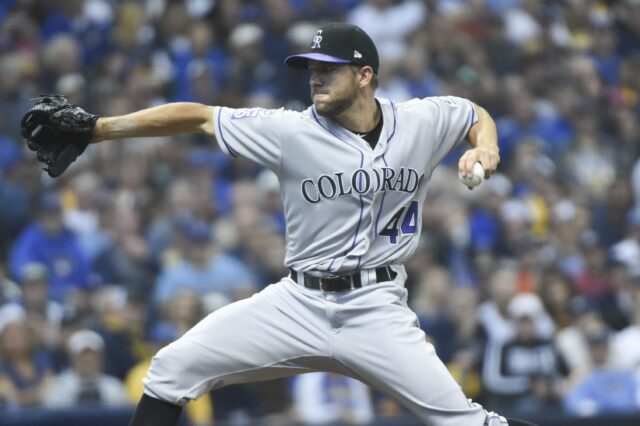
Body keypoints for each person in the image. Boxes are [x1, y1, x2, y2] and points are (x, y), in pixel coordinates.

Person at [23, 22, 530, 426]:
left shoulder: (421, 119)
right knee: (170, 370)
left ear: (363, 75)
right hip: (298, 302)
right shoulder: (290, 131)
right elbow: (199, 116)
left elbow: (472, 113)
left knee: (467, 422)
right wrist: (100, 129)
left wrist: (487, 146)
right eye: (309, 67)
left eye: (327, 69)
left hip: (376, 309)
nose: (314, 77)